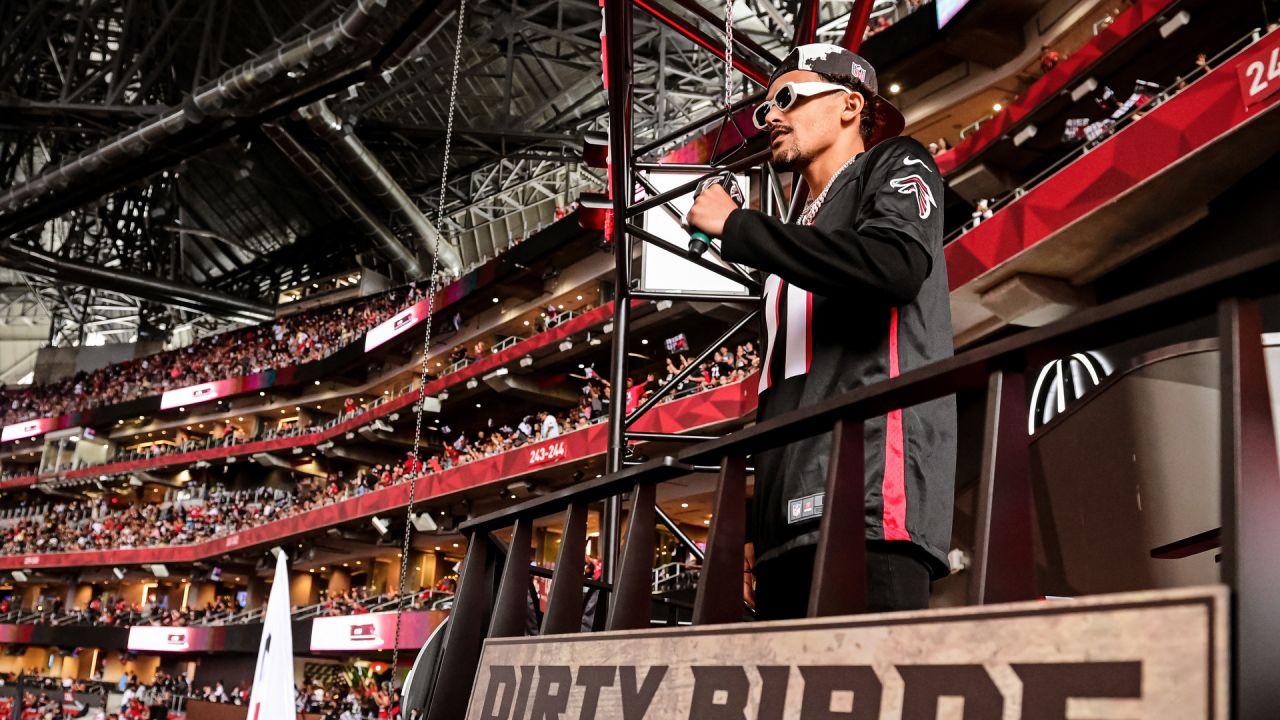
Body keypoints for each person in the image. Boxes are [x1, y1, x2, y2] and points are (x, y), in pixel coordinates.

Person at [687, 43, 956, 619]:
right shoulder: (794, 230)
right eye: (763, 110)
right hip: (786, 513)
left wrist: (737, 227)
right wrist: (757, 527)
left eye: (787, 98)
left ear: (850, 104)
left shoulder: (894, 163)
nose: (771, 117)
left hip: (867, 496)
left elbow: (895, 265)